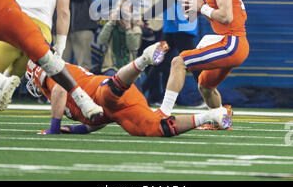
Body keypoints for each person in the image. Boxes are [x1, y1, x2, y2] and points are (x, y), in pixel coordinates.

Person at [0, 0, 102, 120]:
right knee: (52, 70)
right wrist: (59, 48)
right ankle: (87, 104)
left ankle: (3, 82)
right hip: (38, 30)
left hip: (11, 23)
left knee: (2, 75)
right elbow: (63, 12)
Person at [19, 41, 232, 136]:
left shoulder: (48, 76)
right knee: (153, 129)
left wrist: (55, 128)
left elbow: (59, 90)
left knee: (106, 95)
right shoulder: (53, 83)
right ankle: (212, 115)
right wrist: (76, 129)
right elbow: (95, 120)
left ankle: (143, 60)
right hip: (117, 108)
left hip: (108, 91)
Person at [157, 0, 249, 131]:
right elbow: (219, 16)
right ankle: (220, 118)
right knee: (205, 85)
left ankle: (162, 113)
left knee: (178, 61)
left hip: (231, 42)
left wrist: (201, 7)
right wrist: (200, 7)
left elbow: (225, 16)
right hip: (231, 41)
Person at [140, 0, 199, 104]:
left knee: (191, 62)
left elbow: (166, 1)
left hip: (181, 27)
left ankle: (205, 93)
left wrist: (146, 16)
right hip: (174, 27)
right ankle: (140, 93)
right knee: (160, 61)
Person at [97, 0, 142, 76]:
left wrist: (128, 27)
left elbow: (133, 47)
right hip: (111, 67)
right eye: (121, 11)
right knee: (112, 80)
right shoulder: (111, 26)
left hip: (130, 68)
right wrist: (110, 23)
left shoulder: (135, 28)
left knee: (133, 87)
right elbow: (101, 41)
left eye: (126, 11)